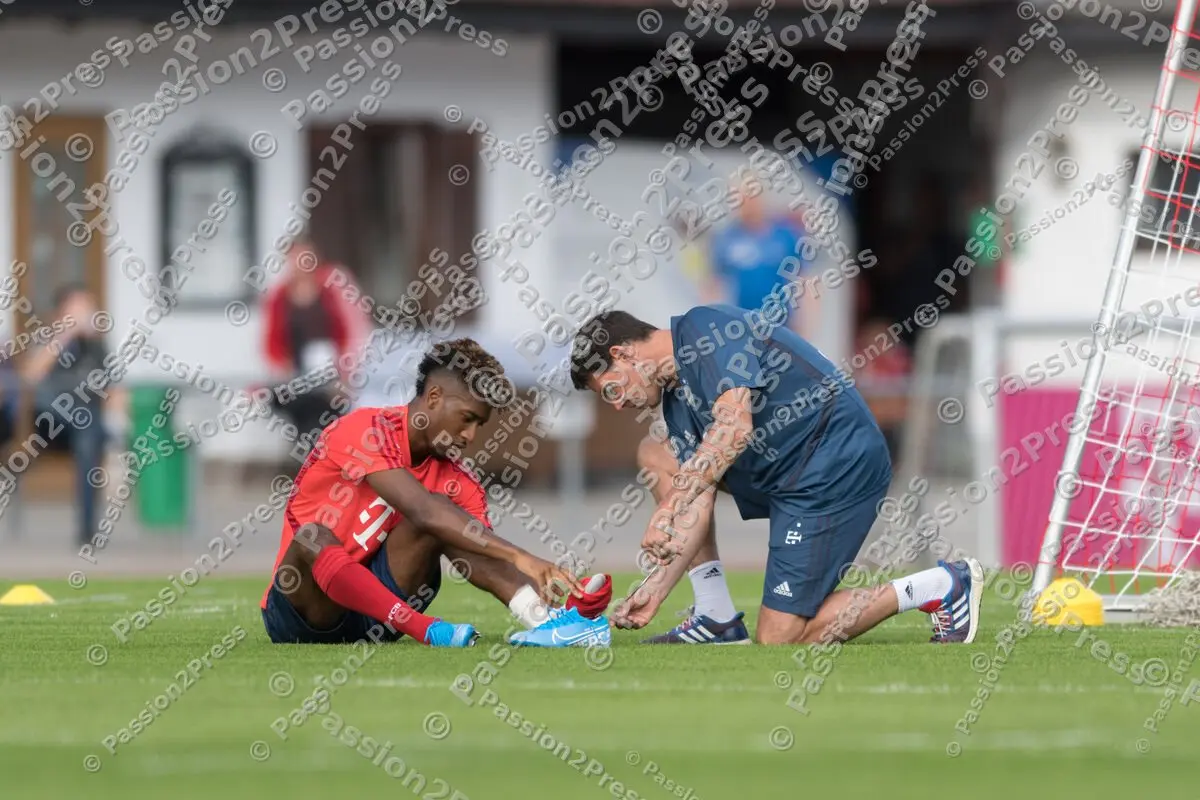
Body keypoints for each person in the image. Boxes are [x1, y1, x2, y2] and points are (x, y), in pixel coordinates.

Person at [566, 306, 984, 646]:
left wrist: (671, 505)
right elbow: (700, 496)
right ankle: (716, 617)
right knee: (656, 453)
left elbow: (734, 428)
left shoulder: (706, 328)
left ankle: (942, 584)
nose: (618, 405)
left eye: (612, 390)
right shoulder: (675, 399)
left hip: (834, 467)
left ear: (622, 355)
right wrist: (655, 589)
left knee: (781, 637)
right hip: (786, 474)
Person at [261, 337, 612, 648]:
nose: (471, 436)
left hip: (377, 617)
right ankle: (427, 630)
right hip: (303, 611)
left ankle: (552, 625)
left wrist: (560, 609)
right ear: (433, 397)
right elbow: (421, 509)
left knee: (455, 526)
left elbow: (479, 555)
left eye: (479, 425)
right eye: (467, 417)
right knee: (312, 537)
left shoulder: (460, 481)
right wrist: (520, 554)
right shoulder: (364, 429)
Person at [20, 285, 124, 547]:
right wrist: (65, 335)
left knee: (90, 436)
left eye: (88, 307)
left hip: (86, 424)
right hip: (49, 420)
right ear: (62, 311)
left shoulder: (97, 347)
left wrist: (119, 421)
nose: (85, 313)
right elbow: (31, 375)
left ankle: (87, 531)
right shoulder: (48, 338)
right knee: (88, 426)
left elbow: (113, 392)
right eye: (78, 307)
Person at [261, 238, 371, 453]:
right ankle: (315, 469)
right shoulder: (279, 295)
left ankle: (317, 470)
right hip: (297, 378)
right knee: (304, 413)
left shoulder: (335, 286)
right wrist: (282, 369)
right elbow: (271, 342)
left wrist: (346, 375)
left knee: (322, 415)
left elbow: (355, 331)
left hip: (333, 377)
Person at [707, 178, 815, 336]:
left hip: (782, 327)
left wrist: (806, 324)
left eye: (751, 197)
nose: (747, 204)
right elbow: (714, 285)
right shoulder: (726, 239)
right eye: (740, 199)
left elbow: (804, 281)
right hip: (744, 326)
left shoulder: (786, 236)